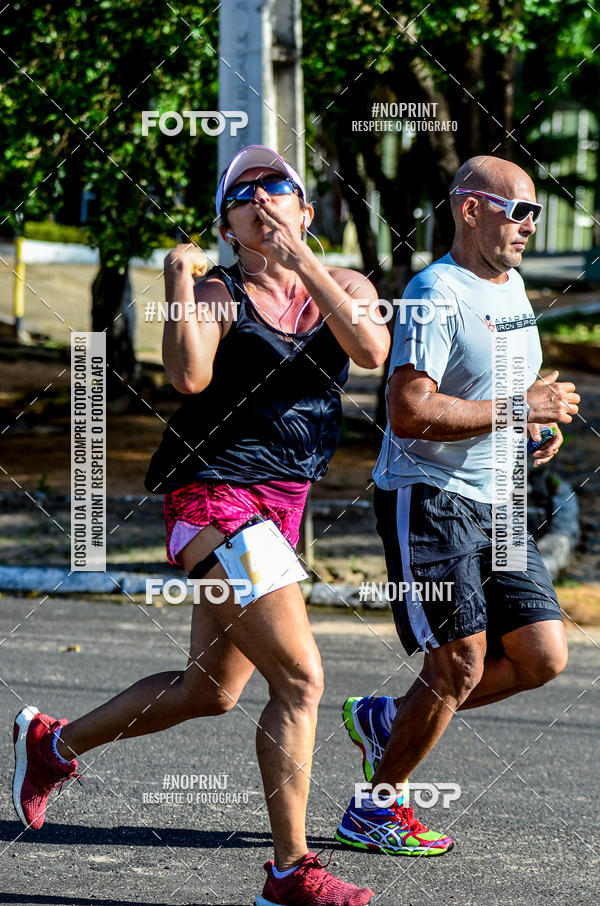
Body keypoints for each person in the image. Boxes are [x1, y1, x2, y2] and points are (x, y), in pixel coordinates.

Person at [12, 145, 389, 906]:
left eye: (276, 189)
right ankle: (289, 873)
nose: (261, 200)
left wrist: (301, 261)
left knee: (209, 690)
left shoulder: (345, 284)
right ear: (228, 226)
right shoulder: (219, 291)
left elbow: (371, 349)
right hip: (216, 498)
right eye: (242, 196)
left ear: (304, 210)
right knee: (302, 678)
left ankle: (52, 742)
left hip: (281, 509)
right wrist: (181, 280)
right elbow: (187, 377)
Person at [335, 155, 580, 857]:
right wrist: (515, 407)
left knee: (541, 655)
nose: (530, 225)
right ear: (470, 209)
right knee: (458, 667)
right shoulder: (433, 293)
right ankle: (374, 810)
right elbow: (409, 411)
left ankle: (388, 719)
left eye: (535, 212)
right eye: (519, 210)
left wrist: (534, 426)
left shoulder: (513, 291)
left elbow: (501, 397)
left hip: (499, 500)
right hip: (432, 499)